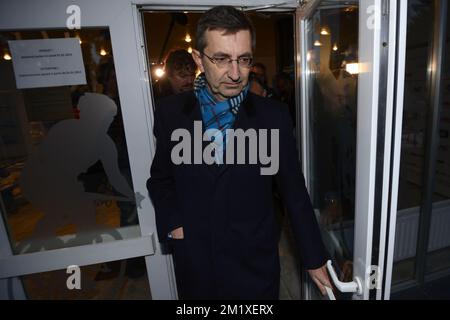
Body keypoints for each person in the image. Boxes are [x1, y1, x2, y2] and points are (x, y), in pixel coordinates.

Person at [147, 6, 331, 299]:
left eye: (243, 60)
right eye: (221, 59)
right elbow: (160, 179)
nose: (235, 73)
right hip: (197, 266)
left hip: (254, 268)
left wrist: (314, 256)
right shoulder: (172, 114)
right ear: (199, 58)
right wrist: (176, 225)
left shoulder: (273, 116)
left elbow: (293, 190)